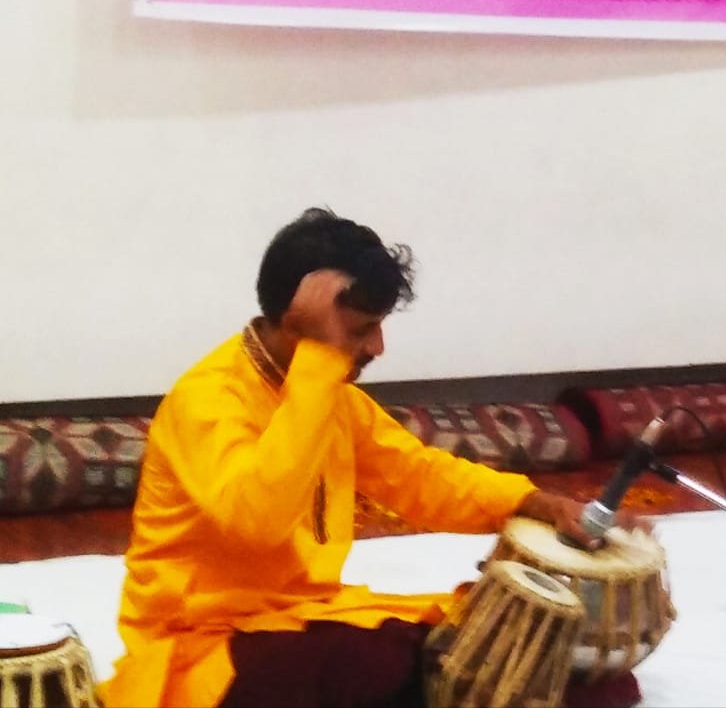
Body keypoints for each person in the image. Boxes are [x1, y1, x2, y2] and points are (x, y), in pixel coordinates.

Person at [101, 207, 632, 708]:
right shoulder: (207, 401)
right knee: (374, 664)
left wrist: (537, 502)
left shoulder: (330, 399)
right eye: (360, 331)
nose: (377, 347)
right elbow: (258, 520)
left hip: (302, 619)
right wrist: (318, 360)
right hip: (200, 644)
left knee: (487, 631)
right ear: (297, 325)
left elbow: (419, 475)